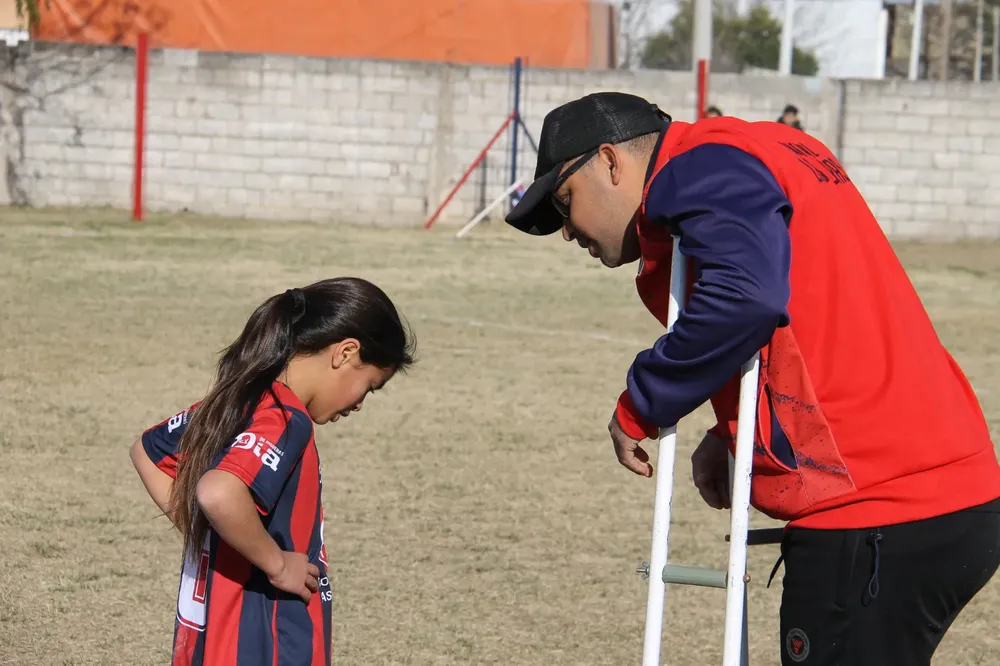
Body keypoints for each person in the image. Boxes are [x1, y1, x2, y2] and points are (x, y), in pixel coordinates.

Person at [503, 91, 1000, 666]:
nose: (567, 232)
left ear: (611, 163)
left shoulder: (700, 166)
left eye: (565, 202)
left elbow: (744, 299)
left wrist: (642, 402)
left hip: (875, 511)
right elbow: (816, 312)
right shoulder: (771, 146)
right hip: (947, 493)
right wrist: (732, 431)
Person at [130, 277, 415, 666]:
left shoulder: (240, 400)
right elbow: (218, 492)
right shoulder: (285, 418)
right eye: (369, 387)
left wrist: (211, 532)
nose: (360, 404)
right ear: (346, 353)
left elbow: (148, 451)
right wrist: (277, 564)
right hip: (261, 640)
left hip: (215, 638)